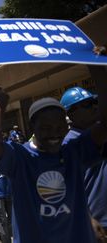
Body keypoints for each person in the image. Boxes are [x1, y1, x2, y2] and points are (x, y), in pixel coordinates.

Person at [0, 63, 107, 243]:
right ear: (33, 127)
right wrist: (0, 105)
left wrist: (97, 70)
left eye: (59, 127)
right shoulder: (20, 157)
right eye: (46, 128)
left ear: (66, 125)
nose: (54, 133)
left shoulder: (74, 151)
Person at [60, 86, 107, 237]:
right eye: (87, 105)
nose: (94, 107)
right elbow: (66, 192)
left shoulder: (99, 135)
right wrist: (88, 220)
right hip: (96, 224)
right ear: (71, 114)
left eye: (94, 102)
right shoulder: (68, 145)